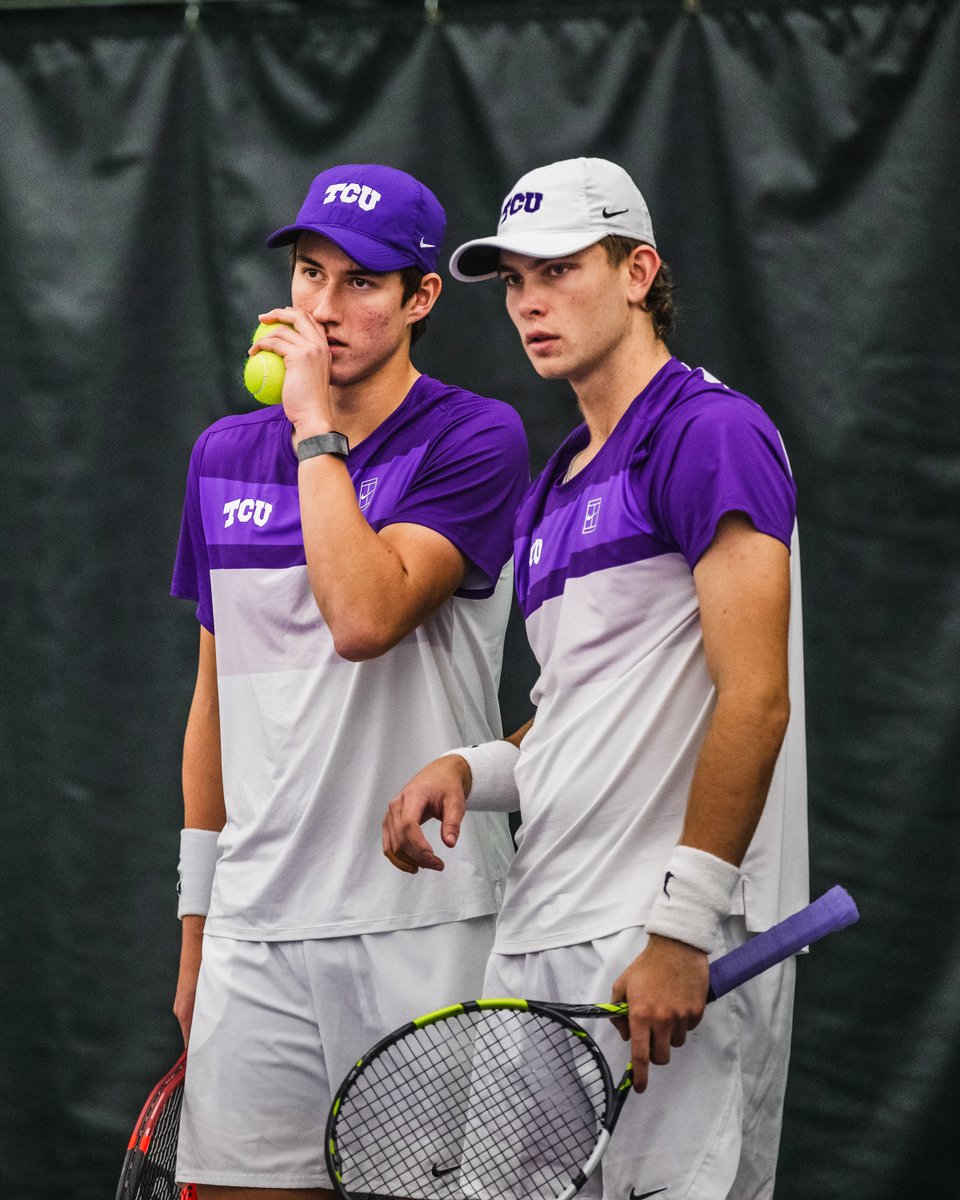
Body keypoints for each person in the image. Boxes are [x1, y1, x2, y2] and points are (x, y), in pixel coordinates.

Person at [382, 157, 808, 1200]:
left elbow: (754, 696)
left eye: (561, 270)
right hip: (540, 935)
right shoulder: (556, 479)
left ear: (637, 270)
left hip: (663, 948)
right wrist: (475, 769)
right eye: (516, 281)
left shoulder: (712, 435)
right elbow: (581, 711)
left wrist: (680, 930)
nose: (531, 302)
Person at [170, 162, 529, 1199]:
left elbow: (365, 616)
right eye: (310, 273)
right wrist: (199, 932)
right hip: (255, 931)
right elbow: (215, 705)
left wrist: (313, 429)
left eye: (362, 283)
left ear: (422, 299)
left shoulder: (476, 437)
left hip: (420, 927)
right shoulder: (219, 458)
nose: (323, 308)